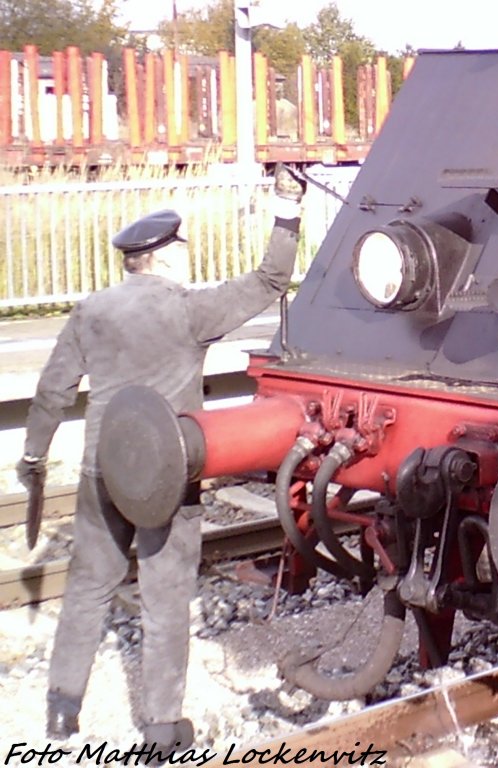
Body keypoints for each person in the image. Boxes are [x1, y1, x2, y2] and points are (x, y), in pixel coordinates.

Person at [15, 164, 306, 752]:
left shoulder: (91, 310)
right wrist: (286, 207)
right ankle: (161, 727)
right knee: (166, 592)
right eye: (185, 252)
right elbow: (273, 278)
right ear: (166, 259)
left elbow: (52, 391)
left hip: (103, 467)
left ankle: (61, 712)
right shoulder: (189, 311)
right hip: (164, 477)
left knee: (88, 586)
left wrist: (34, 457)